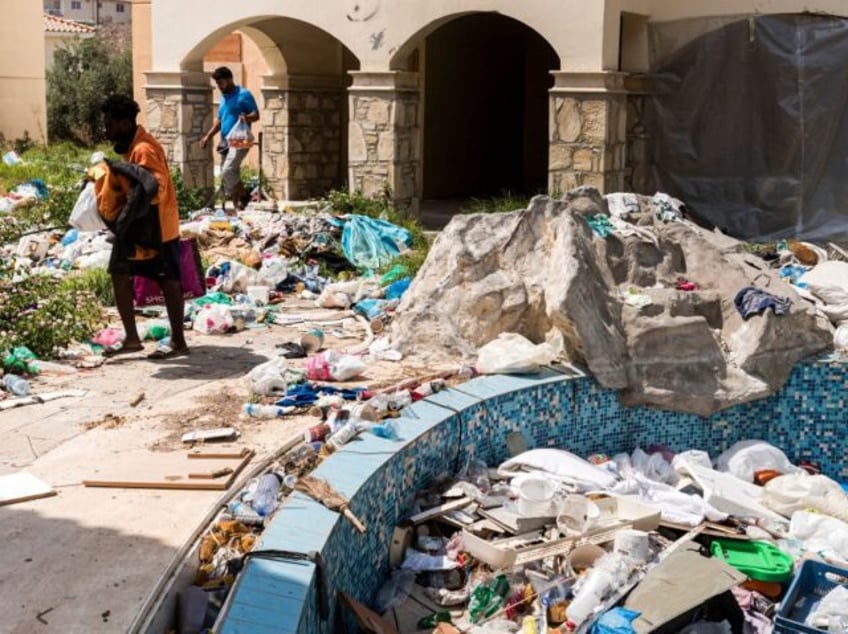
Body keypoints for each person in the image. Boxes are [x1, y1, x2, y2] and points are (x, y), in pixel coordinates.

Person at [97, 93, 189, 360]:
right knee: (120, 272)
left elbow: (154, 186)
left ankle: (178, 342)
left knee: (169, 281)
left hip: (156, 228)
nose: (107, 130)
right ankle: (133, 338)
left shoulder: (143, 149)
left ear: (126, 123)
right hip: (140, 227)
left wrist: (128, 208)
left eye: (110, 124)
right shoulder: (133, 146)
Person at [200, 66, 259, 210]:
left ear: (230, 79)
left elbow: (256, 115)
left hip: (240, 139)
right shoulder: (223, 99)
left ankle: (244, 194)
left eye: (221, 83)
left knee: (228, 170)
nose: (219, 86)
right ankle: (237, 207)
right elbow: (220, 120)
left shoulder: (244, 95)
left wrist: (246, 117)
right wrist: (208, 136)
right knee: (228, 176)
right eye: (218, 83)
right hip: (225, 141)